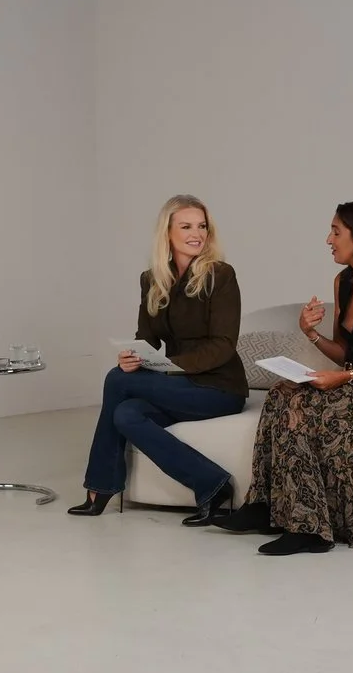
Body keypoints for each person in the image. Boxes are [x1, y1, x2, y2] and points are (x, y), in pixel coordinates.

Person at [211, 199, 353, 555]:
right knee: (281, 393)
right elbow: (345, 352)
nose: (329, 240)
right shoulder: (343, 281)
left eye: (335, 232)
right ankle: (263, 505)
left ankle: (310, 528)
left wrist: (344, 379)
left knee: (303, 409)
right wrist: (310, 333)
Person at [72, 194, 249, 521]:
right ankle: (212, 484)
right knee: (126, 413)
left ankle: (100, 486)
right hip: (177, 385)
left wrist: (170, 369)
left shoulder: (220, 275)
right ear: (167, 232)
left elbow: (224, 345)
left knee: (116, 381)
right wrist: (133, 357)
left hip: (218, 388)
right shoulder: (152, 279)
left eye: (202, 226)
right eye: (186, 226)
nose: (197, 234)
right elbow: (147, 339)